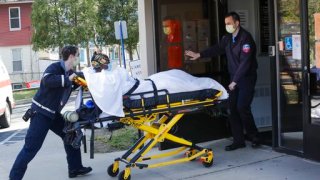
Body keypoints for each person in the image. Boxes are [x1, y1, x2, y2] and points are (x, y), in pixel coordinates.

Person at [9, 46, 92, 180]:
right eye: (77, 55)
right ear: (71, 56)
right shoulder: (54, 68)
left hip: (53, 114)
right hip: (40, 113)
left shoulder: (70, 72)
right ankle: (14, 177)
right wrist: (67, 80)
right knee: (31, 148)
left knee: (71, 133)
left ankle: (75, 168)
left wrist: (91, 76)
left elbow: (78, 80)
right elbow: (47, 81)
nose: (78, 59)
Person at [185, 12, 260, 151]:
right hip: (234, 78)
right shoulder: (227, 38)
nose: (227, 26)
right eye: (226, 24)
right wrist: (199, 54)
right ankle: (239, 141)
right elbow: (217, 49)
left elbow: (245, 63)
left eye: (229, 23)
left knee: (242, 107)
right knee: (231, 108)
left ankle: (254, 136)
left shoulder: (246, 39)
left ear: (237, 23)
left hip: (246, 78)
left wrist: (235, 81)